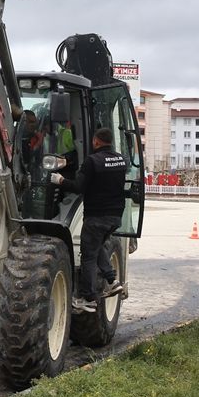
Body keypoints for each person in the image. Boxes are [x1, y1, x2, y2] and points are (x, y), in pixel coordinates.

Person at [51, 127, 126, 311]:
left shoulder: (92, 161)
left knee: (88, 257)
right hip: (115, 216)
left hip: (96, 217)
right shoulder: (120, 160)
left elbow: (78, 187)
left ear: (96, 142)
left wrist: (60, 180)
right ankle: (112, 281)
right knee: (97, 247)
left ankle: (88, 298)